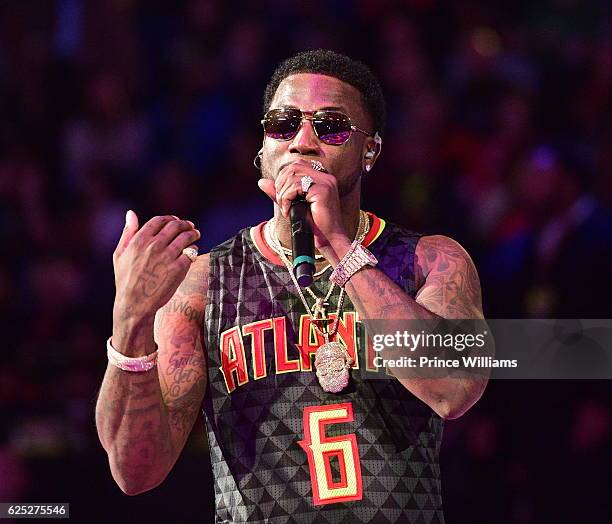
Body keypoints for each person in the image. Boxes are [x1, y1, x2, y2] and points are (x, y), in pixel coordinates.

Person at [95, 50, 487, 524]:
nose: (303, 141)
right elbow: (136, 471)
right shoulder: (205, 281)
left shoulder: (431, 258)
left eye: (331, 126)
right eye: (283, 124)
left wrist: (338, 245)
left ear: (371, 150)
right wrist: (129, 322)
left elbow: (456, 388)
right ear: (262, 149)